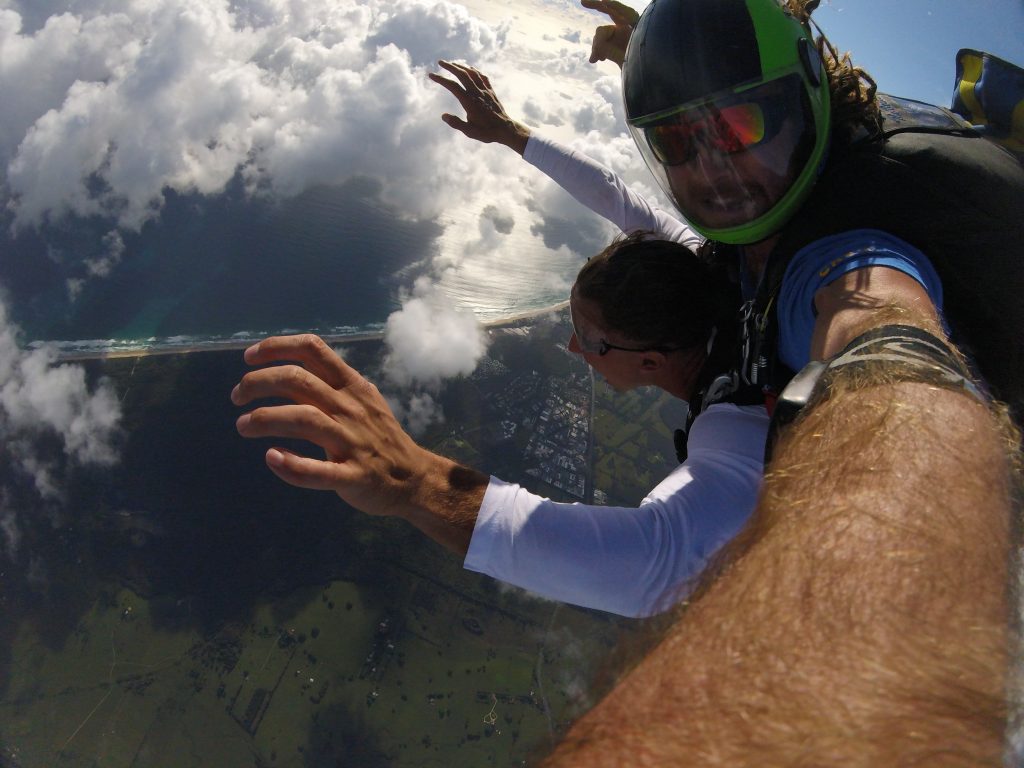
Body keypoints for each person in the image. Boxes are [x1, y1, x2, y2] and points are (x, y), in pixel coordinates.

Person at [529, 0, 1023, 764]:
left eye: (738, 129)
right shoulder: (744, 242)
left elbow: (885, 344)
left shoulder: (847, 255)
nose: (713, 171)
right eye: (676, 140)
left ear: (805, 97)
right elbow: (629, 207)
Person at [234, 234, 768, 618]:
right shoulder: (704, 286)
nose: (573, 346)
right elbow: (623, 200)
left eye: (591, 338)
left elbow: (654, 567)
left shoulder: (739, 426)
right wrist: (514, 137)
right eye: (575, 323)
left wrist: (414, 482)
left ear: (651, 362)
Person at [428, 59, 701, 249]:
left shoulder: (705, 264)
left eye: (592, 335)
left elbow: (612, 195)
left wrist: (509, 133)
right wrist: (508, 132)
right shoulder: (705, 262)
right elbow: (611, 194)